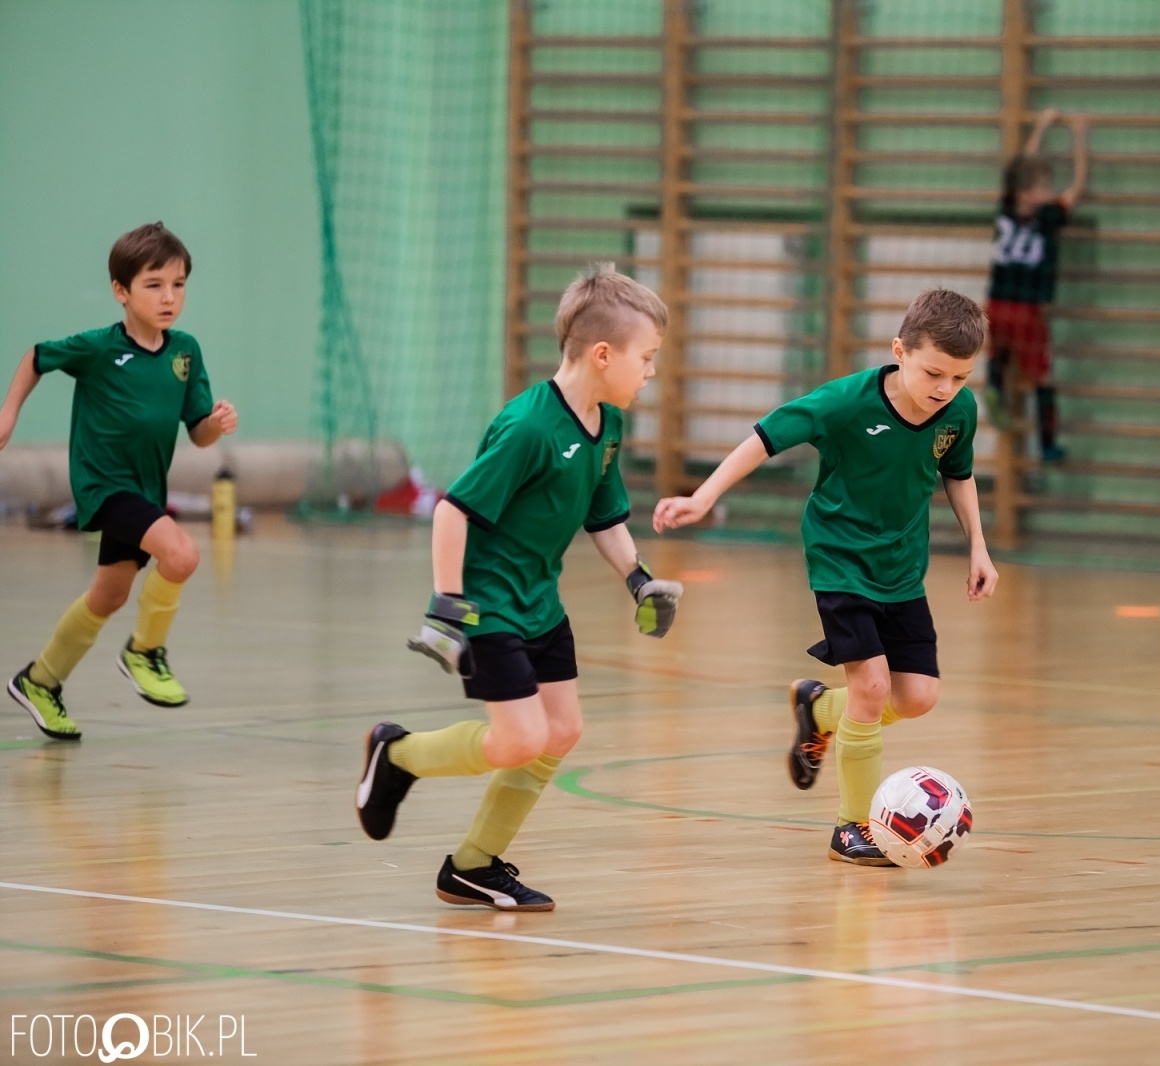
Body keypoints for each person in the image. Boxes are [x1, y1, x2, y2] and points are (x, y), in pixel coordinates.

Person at [355, 265, 683, 910]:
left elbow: (604, 514)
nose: (650, 372)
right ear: (602, 354)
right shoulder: (530, 427)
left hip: (540, 601)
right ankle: (398, 756)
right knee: (520, 740)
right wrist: (449, 605)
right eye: (646, 358)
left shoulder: (607, 426)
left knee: (561, 731)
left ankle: (471, 866)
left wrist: (638, 579)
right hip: (488, 605)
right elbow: (453, 510)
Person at [653, 289, 998, 865]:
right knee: (871, 687)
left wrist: (978, 549)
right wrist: (703, 496)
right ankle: (850, 829)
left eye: (960, 378)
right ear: (899, 351)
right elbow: (763, 438)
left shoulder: (959, 411)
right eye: (934, 373)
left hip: (903, 567)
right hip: (840, 558)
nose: (945, 389)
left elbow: (957, 476)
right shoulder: (845, 403)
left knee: (918, 696)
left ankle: (817, 710)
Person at [1, 223, 238, 740]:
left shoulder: (185, 352)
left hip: (145, 490)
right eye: (154, 285)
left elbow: (197, 434)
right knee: (182, 555)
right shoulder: (99, 348)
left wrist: (213, 426)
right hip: (104, 486)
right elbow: (36, 357)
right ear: (121, 291)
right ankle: (144, 653)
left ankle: (40, 681)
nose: (169, 296)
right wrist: (8, 414)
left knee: (107, 596)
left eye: (178, 284)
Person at [985, 107, 1090, 462]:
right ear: (1032, 193)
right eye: (1044, 186)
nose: (1049, 190)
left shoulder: (1006, 205)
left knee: (999, 354)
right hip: (1028, 309)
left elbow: (1023, 167)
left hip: (996, 303)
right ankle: (1047, 445)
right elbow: (1078, 186)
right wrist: (1078, 135)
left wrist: (1042, 125)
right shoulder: (1047, 216)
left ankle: (995, 384)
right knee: (1041, 380)